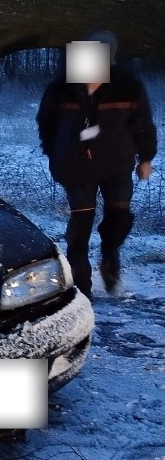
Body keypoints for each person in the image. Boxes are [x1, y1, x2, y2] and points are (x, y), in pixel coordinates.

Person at [36, 31, 157, 298]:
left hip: (118, 164)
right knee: (80, 227)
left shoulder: (128, 87)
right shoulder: (60, 90)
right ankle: (82, 288)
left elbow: (144, 125)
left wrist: (146, 158)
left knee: (119, 219)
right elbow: (46, 124)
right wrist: (53, 153)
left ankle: (109, 256)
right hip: (75, 167)